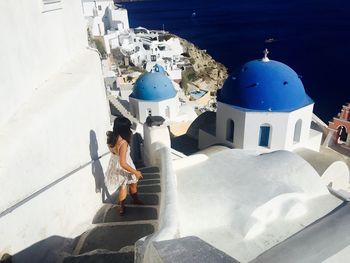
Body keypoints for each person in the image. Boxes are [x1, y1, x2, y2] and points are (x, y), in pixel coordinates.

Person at [105, 117, 144, 215]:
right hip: (126, 165)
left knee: (123, 186)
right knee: (132, 183)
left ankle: (122, 207)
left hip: (115, 164)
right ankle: (132, 201)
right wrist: (136, 172)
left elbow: (114, 154)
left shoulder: (111, 138)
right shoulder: (123, 142)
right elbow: (123, 163)